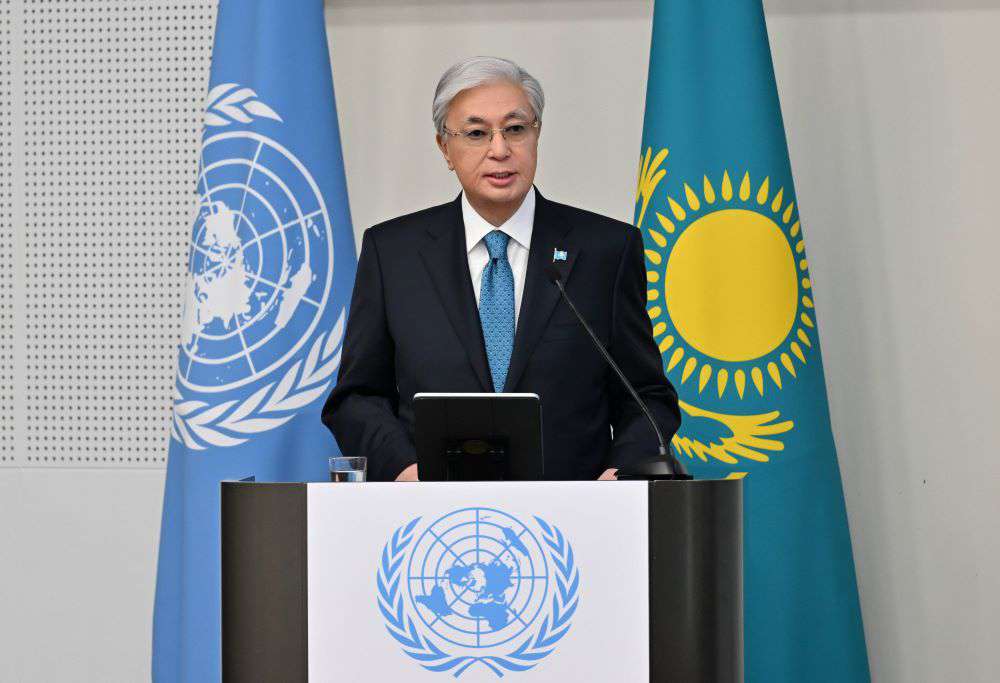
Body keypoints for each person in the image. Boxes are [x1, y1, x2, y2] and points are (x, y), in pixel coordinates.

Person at [322, 56, 680, 481]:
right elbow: (357, 398)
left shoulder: (605, 250)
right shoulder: (393, 253)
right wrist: (405, 469)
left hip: (574, 509)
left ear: (536, 134)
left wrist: (620, 473)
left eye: (515, 129)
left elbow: (646, 397)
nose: (499, 150)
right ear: (444, 148)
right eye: (476, 133)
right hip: (431, 508)